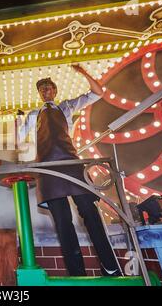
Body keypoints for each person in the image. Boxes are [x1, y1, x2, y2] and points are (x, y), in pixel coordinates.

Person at [19, 64, 121, 276]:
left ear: (55, 91)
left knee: (91, 214)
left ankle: (111, 268)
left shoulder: (66, 107)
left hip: (72, 165)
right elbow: (19, 139)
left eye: (48, 87)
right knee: (62, 222)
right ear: (39, 93)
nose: (45, 91)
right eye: (42, 88)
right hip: (48, 169)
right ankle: (77, 274)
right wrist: (18, 123)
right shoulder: (33, 115)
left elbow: (97, 93)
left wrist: (84, 72)